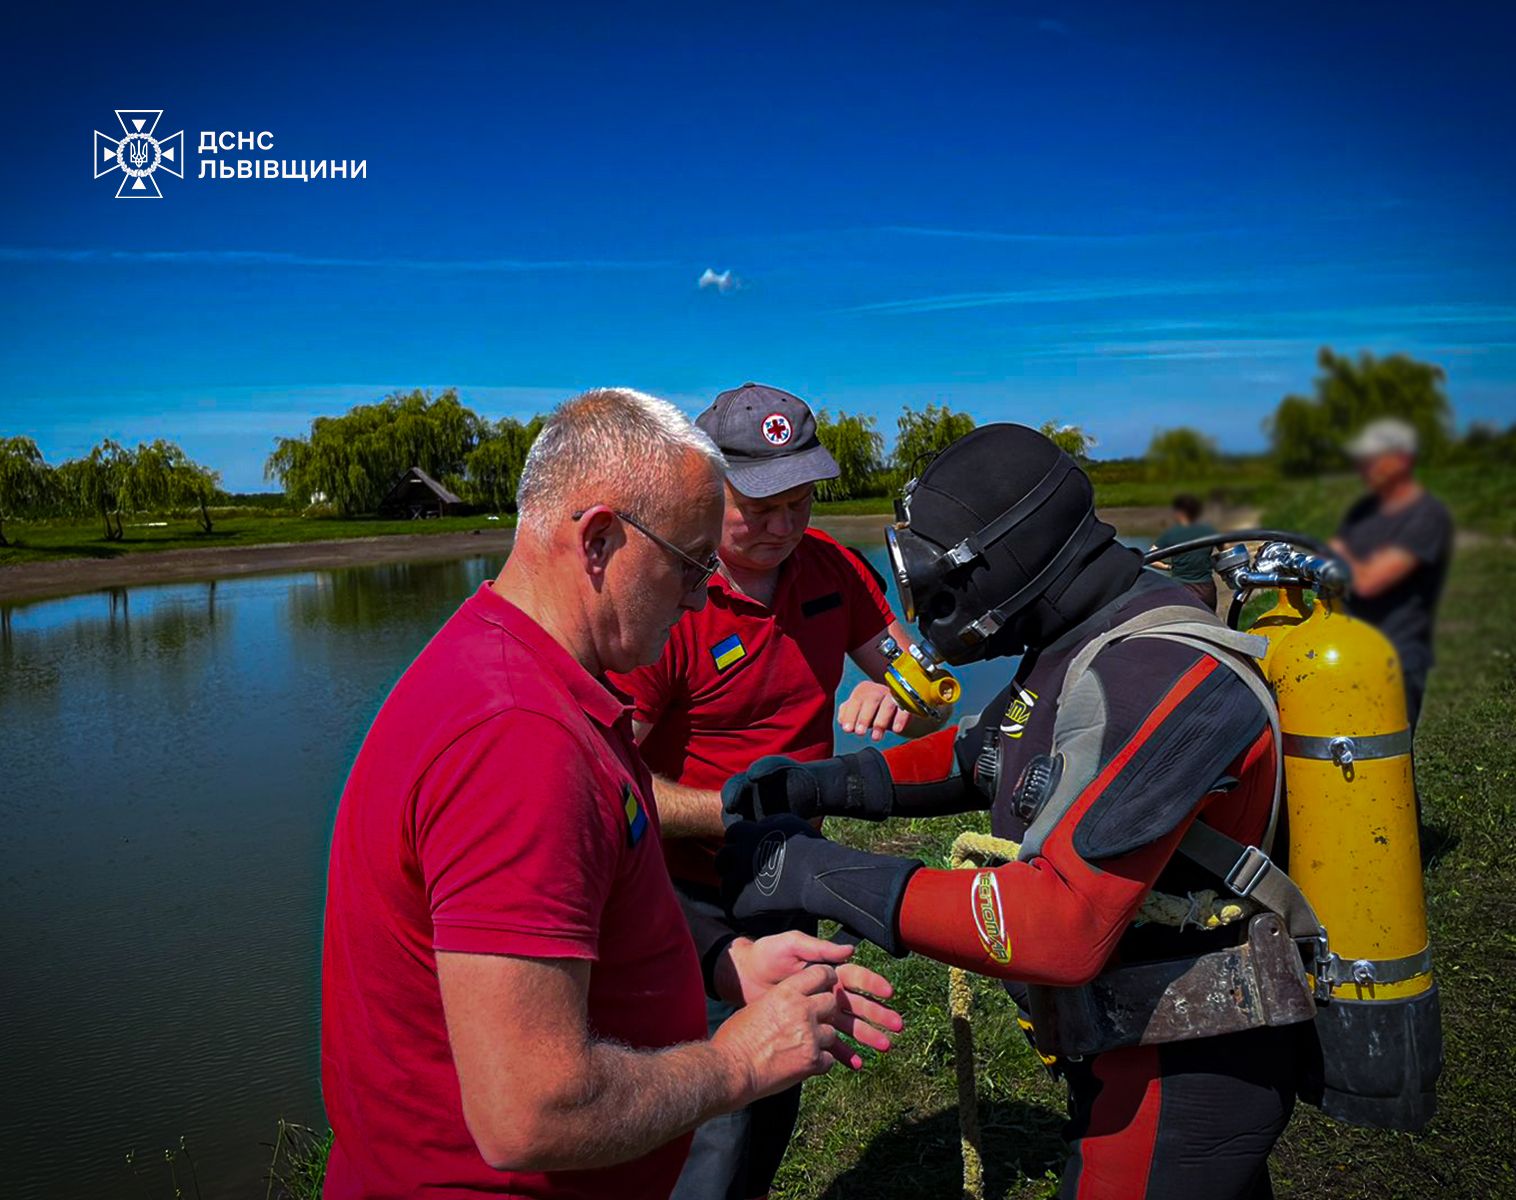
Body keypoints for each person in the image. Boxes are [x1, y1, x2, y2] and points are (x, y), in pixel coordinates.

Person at [320, 388, 899, 1199]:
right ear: (598, 541)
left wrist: (726, 963)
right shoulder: (518, 741)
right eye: (691, 566)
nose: (702, 598)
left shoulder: (527, 673)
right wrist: (738, 1060)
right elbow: (531, 1112)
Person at [720, 423, 1305, 1200]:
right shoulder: (1080, 628)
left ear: (1010, 555)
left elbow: (1057, 926)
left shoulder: (1158, 671)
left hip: (1185, 1058)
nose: (928, 607)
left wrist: (814, 871)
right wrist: (817, 785)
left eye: (940, 582)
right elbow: (987, 753)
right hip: (1128, 1028)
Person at [609, 381, 941, 1200]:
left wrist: (904, 691)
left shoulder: (832, 568)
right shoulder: (670, 600)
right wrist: (727, 811)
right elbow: (609, 783)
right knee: (711, 1125)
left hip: (789, 878)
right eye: (758, 507)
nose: (784, 528)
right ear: (706, 486)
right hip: (687, 897)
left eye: (798, 502)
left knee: (781, 1084)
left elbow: (929, 678)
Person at [1330, 418, 1453, 730]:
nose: (1363, 467)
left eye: (1371, 459)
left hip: (1396, 657)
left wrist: (1341, 554)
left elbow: (1369, 582)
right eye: (1361, 460)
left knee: (1388, 758)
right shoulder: (1363, 509)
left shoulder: (1427, 516)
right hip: (1352, 651)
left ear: (1403, 460)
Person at [1148, 493, 1220, 609]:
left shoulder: (1171, 533)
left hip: (1181, 588)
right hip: (1206, 588)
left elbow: (1151, 558)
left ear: (1179, 512)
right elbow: (1227, 549)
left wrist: (1168, 567)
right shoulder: (1209, 530)